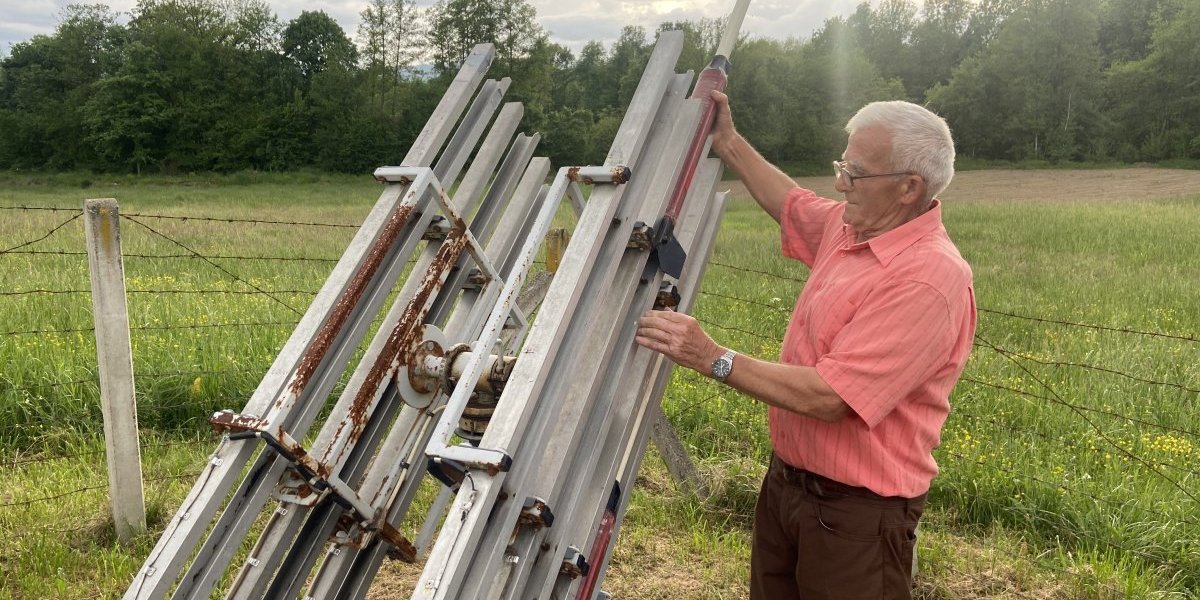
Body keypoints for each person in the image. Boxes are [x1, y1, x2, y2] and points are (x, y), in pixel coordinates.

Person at [634, 90, 976, 600]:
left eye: (855, 173)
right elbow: (790, 203)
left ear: (909, 187)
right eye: (843, 165)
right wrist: (727, 142)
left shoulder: (927, 278)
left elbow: (830, 397)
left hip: (856, 515)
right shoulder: (853, 228)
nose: (841, 183)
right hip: (788, 488)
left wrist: (712, 357)